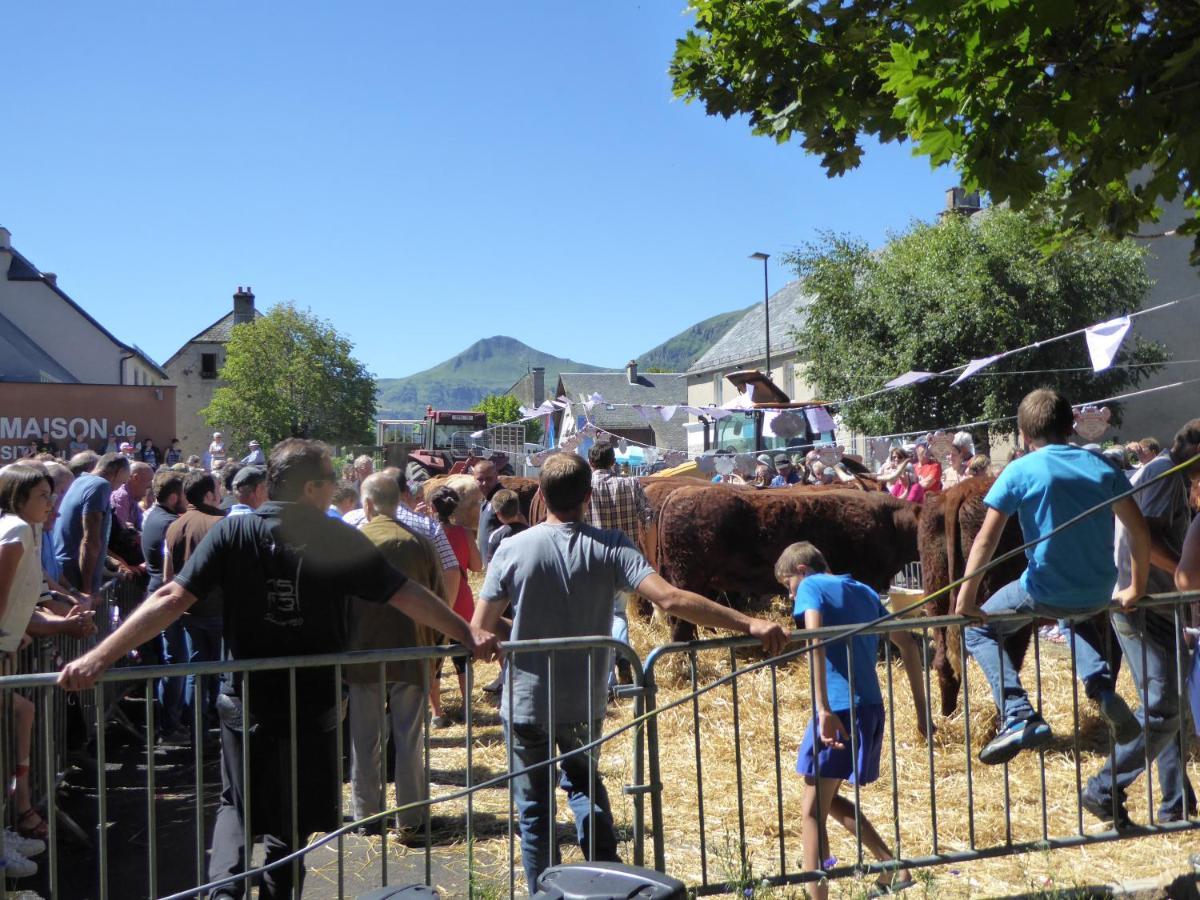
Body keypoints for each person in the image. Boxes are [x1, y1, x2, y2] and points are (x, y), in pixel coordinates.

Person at [58, 438, 499, 900]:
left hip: (247, 699)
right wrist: (466, 632)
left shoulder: (235, 532)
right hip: (311, 703)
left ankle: (222, 893)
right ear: (311, 487)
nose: (336, 488)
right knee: (287, 824)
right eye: (330, 480)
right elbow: (404, 593)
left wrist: (99, 656)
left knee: (237, 804)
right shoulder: (333, 536)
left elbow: (171, 597)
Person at [472, 452, 787, 890]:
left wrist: (522, 630)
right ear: (587, 496)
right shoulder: (614, 546)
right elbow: (673, 600)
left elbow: (480, 629)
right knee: (584, 786)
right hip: (583, 699)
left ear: (540, 495)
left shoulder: (510, 548)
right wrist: (749, 622)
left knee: (534, 810)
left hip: (526, 698)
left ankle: (542, 890)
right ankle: (606, 881)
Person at [956, 389, 1149, 764]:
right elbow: (1140, 533)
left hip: (1043, 588)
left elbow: (986, 538)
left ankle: (1018, 713)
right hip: (1097, 591)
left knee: (976, 629)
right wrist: (1135, 587)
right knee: (1073, 616)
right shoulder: (1102, 466)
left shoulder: (1020, 469)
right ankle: (1102, 690)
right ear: (1070, 427)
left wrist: (966, 598)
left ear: (1024, 435)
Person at [775, 542, 912, 899]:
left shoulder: (811, 586)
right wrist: (923, 711)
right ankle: (891, 867)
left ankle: (817, 896)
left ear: (802, 571)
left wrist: (822, 709)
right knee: (826, 799)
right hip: (868, 707)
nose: (792, 598)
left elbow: (815, 640)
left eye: (788, 587)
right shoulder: (864, 591)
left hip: (838, 710)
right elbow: (905, 641)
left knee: (809, 812)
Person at [1082, 419, 1200, 827]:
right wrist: (1185, 571)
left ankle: (1176, 802)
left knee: (1169, 707)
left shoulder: (1170, 475)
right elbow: (1142, 537)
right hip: (1141, 607)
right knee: (1164, 707)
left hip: (1156, 606)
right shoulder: (1165, 475)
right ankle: (1103, 786)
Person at [347, 473, 446, 835]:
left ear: (368, 504)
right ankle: (412, 818)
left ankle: (367, 817)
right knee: (410, 737)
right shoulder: (420, 542)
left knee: (364, 737)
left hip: (361, 653)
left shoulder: (352, 543)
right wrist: (435, 654)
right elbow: (439, 600)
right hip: (412, 650)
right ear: (399, 501)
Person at [0, 465, 59, 868]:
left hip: (7, 650)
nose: (49, 502)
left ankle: (13, 822)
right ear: (17, 496)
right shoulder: (15, 532)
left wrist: (16, 631)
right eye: (41, 494)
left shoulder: (28, 531)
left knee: (20, 714)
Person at [162, 471, 227, 737]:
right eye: (218, 489)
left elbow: (168, 576)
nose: (221, 494)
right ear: (209, 495)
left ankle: (197, 731)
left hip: (188, 610)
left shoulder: (174, 526)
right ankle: (223, 732)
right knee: (224, 672)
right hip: (218, 609)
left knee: (196, 671)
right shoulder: (219, 523)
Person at [586, 442, 652, 685]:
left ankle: (607, 676)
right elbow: (647, 516)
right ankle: (622, 654)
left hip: (592, 557)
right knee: (618, 612)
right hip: (625, 556)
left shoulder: (585, 487)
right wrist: (646, 551)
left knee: (597, 615)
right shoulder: (630, 483)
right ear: (613, 461)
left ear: (591, 462)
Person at [141, 468, 190, 737]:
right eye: (184, 495)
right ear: (174, 497)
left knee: (173, 660)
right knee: (176, 661)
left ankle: (168, 722)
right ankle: (169, 724)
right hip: (166, 599)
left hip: (158, 594)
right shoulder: (171, 523)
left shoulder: (154, 517)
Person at [428, 485, 479, 726]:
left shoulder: (427, 532)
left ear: (431, 507)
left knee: (433, 660)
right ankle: (467, 708)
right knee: (462, 660)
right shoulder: (466, 534)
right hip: (462, 601)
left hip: (434, 602)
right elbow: (478, 566)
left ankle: (436, 712)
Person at [54, 452, 130, 597]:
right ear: (118, 472)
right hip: (75, 575)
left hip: (65, 569)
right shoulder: (100, 485)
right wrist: (86, 588)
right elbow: (90, 541)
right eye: (122, 482)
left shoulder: (80, 480)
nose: (118, 488)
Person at [485, 488, 528, 563]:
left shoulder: (497, 536)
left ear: (498, 513)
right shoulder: (529, 531)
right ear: (518, 509)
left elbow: (491, 566)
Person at [472, 459, 503, 561]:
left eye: (489, 479)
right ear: (474, 479)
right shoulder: (486, 500)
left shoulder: (502, 500)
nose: (484, 483)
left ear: (496, 477)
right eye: (480, 479)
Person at [112, 461, 153, 532]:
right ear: (136, 478)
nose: (150, 485)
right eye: (149, 480)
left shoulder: (133, 498)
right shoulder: (122, 497)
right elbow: (121, 531)